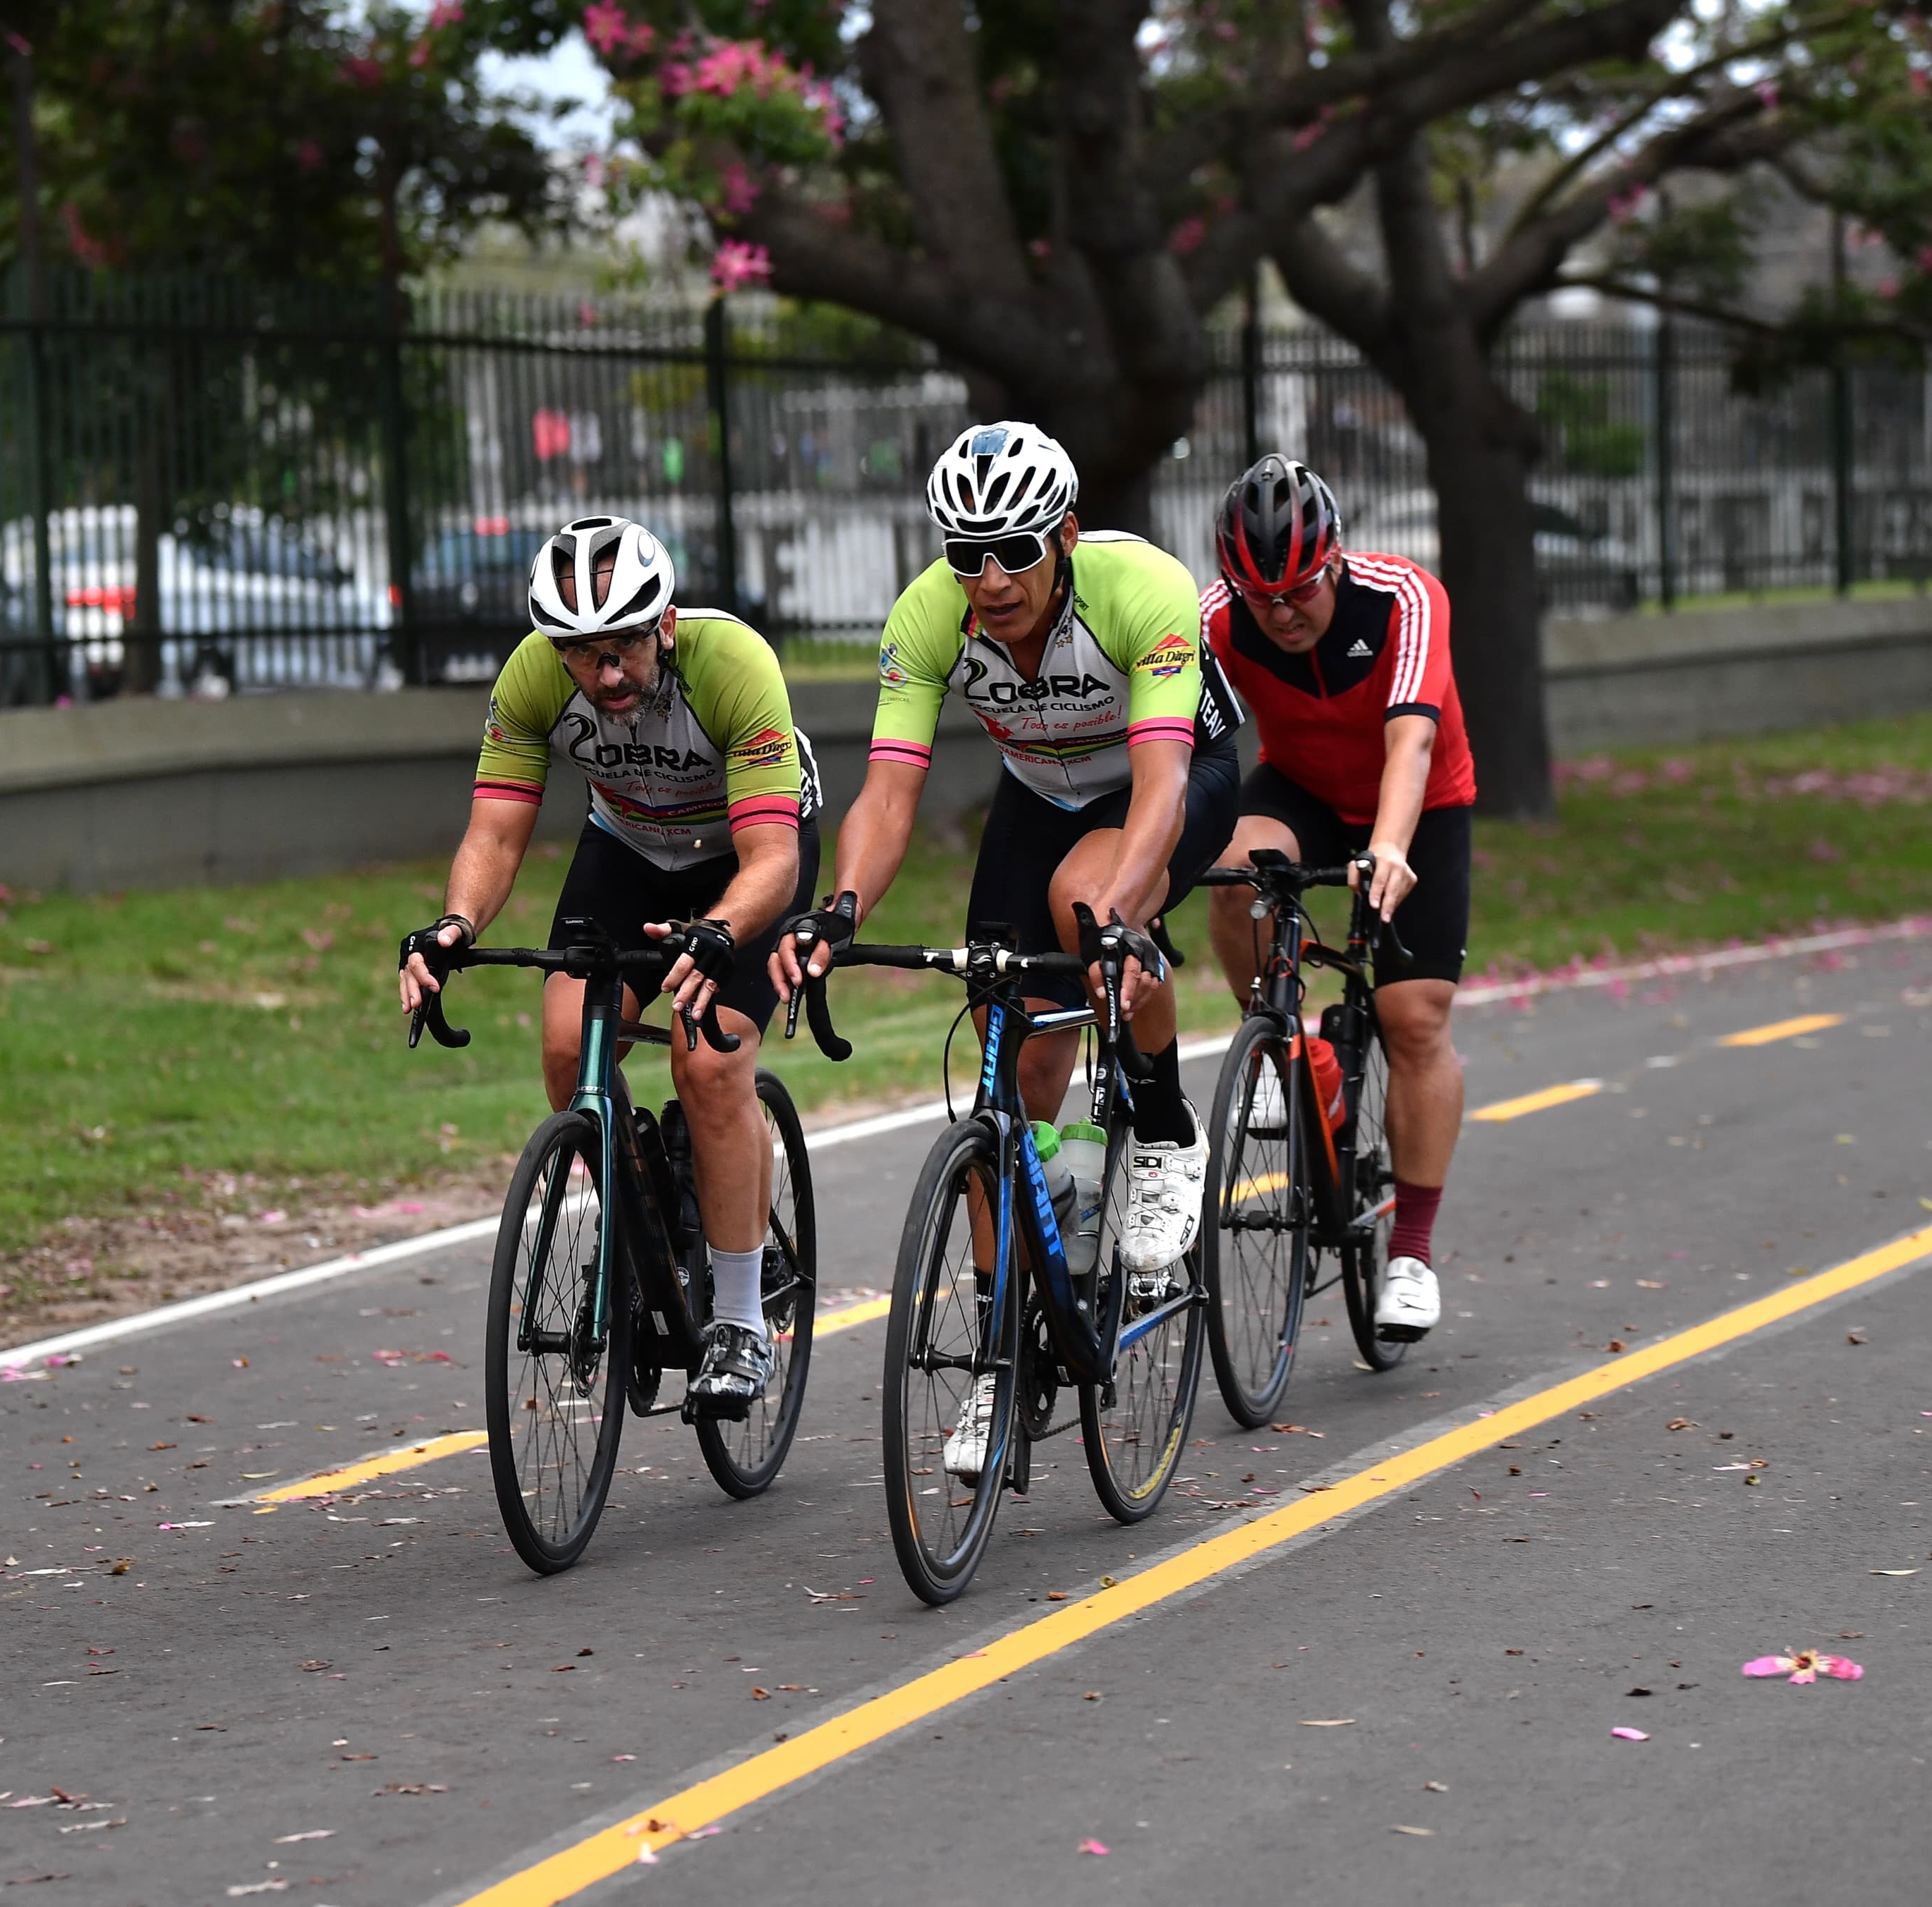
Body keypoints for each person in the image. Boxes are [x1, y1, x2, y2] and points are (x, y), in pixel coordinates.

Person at [775, 421, 1244, 1469]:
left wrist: (1124, 912)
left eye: (1015, 552)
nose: (988, 579)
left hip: (1170, 775)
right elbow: (889, 793)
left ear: (1066, 535)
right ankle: (1006, 1353)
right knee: (1003, 1060)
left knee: (1091, 906)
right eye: (964, 554)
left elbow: (1163, 783)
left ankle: (1164, 1130)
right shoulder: (927, 617)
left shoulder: (1143, 590)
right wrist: (839, 906)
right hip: (1040, 790)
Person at [399, 516, 818, 1413]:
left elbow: (773, 861)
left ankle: (742, 1321)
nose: (609, 674)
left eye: (624, 643)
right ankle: (658, 1202)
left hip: (746, 852)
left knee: (706, 1062)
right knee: (566, 1051)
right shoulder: (532, 677)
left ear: (663, 623)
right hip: (628, 847)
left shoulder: (731, 665)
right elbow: (496, 828)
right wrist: (454, 924)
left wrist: (719, 929)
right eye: (583, 654)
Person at [1202, 454, 1474, 1342]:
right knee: (1235, 869)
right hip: (1304, 789)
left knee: (1413, 1019)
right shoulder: (1217, 621)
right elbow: (1173, 736)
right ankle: (1279, 1038)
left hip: (1418, 803)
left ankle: (1413, 1251)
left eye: (1298, 590)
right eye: (1257, 595)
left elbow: (1410, 747)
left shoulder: (1403, 599)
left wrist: (1389, 847)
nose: (1278, 613)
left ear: (1336, 562)